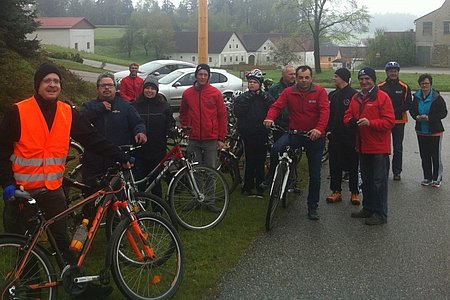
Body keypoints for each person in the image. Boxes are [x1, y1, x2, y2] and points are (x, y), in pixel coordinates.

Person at [0, 63, 131, 298]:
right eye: (47, 81)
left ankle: (78, 285)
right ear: (37, 85)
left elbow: (91, 138)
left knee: (63, 242)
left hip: (52, 192)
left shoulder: (67, 112)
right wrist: (7, 183)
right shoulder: (18, 112)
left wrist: (118, 154)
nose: (52, 85)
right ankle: (31, 291)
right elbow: (1, 150)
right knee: (24, 246)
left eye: (56, 81)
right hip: (21, 192)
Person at [263, 65, 329, 220]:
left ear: (311, 78)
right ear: (296, 78)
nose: (304, 80)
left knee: (315, 174)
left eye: (307, 77)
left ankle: (312, 206)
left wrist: (319, 129)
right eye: (301, 77)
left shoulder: (319, 92)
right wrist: (269, 117)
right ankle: (273, 177)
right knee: (276, 149)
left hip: (314, 136)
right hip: (295, 133)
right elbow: (277, 106)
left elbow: (325, 113)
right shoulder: (289, 92)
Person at [79, 73, 146, 216]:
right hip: (93, 161)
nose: (107, 88)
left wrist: (140, 131)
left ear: (115, 88)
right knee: (91, 199)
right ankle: (87, 226)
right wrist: (100, 108)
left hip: (116, 160)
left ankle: (117, 228)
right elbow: (79, 118)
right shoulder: (89, 106)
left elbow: (138, 122)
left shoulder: (126, 106)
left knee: (118, 199)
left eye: (110, 85)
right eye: (103, 85)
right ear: (97, 89)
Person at [344, 67, 395, 225]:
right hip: (362, 146)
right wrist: (350, 121)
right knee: (366, 180)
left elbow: (389, 121)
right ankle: (368, 208)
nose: (364, 82)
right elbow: (347, 115)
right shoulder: (356, 97)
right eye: (361, 79)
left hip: (379, 148)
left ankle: (380, 214)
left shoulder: (382, 97)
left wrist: (370, 123)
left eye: (367, 79)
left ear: (373, 80)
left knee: (378, 182)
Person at [132, 75, 176, 197]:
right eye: (147, 88)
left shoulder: (164, 106)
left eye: (153, 88)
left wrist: (171, 130)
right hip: (139, 151)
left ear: (157, 90)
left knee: (156, 182)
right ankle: (141, 208)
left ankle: (157, 210)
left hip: (157, 151)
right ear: (143, 89)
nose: (150, 91)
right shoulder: (135, 105)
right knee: (140, 181)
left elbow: (169, 122)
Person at [234, 69, 274, 197]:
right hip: (248, 133)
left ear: (260, 84)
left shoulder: (265, 97)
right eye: (250, 82)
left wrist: (265, 97)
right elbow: (238, 112)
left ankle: (260, 185)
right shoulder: (243, 98)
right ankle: (247, 186)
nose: (252, 84)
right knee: (249, 160)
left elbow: (272, 109)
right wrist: (246, 100)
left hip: (262, 133)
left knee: (260, 160)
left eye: (255, 82)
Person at [179, 63, 227, 168]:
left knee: (211, 169)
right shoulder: (187, 93)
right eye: (200, 74)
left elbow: (222, 116)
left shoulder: (215, 93)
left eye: (205, 75)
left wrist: (221, 138)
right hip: (194, 138)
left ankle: (210, 186)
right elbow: (183, 113)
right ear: (196, 75)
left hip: (210, 138)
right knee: (195, 169)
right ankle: (196, 185)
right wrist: (186, 127)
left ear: (208, 76)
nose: (202, 77)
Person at [325, 68, 360, 205]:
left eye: (336, 76)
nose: (333, 79)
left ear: (343, 78)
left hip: (350, 135)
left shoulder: (354, 95)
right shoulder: (333, 95)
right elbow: (329, 115)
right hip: (335, 136)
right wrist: (328, 131)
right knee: (335, 164)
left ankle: (355, 192)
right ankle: (336, 191)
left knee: (352, 164)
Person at [409, 73, 447, 187]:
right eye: (422, 83)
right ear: (419, 84)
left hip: (435, 131)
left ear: (430, 84)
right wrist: (416, 117)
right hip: (421, 130)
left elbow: (443, 112)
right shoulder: (416, 97)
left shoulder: (436, 97)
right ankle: (427, 177)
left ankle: (437, 178)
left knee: (435, 155)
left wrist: (429, 118)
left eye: (426, 83)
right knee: (424, 155)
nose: (424, 85)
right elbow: (412, 110)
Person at [378, 61, 412, 181]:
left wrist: (394, 111)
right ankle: (383, 170)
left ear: (398, 72)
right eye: (390, 71)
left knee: (398, 148)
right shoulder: (380, 86)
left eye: (395, 71)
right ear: (387, 72)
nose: (393, 73)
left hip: (399, 121)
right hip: (384, 122)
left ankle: (397, 171)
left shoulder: (404, 87)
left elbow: (408, 104)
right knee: (383, 147)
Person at [268, 65, 296, 141]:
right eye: (290, 74)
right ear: (283, 75)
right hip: (280, 125)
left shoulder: (299, 88)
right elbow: (270, 106)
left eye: (294, 74)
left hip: (295, 124)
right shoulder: (275, 89)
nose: (293, 76)